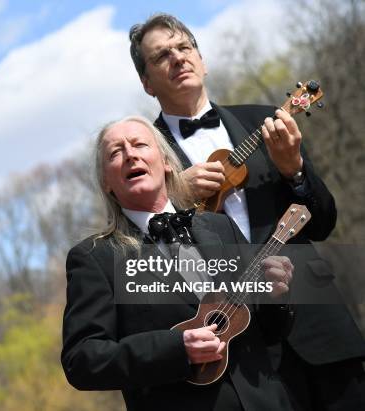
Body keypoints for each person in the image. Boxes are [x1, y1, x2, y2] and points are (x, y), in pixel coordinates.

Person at [127, 13, 365, 410]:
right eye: (161, 55)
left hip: (318, 323)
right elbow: (139, 255)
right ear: (147, 82)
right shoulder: (143, 156)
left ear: (202, 61)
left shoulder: (267, 120)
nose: (178, 58)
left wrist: (295, 171)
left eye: (185, 48)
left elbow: (323, 222)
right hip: (235, 350)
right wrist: (174, 193)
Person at [61, 115, 296, 411]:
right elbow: (82, 359)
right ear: (106, 181)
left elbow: (271, 332)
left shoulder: (221, 228)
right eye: (116, 152)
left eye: (139, 144)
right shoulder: (96, 258)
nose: (130, 154)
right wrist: (176, 349)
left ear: (166, 162)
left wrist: (276, 296)